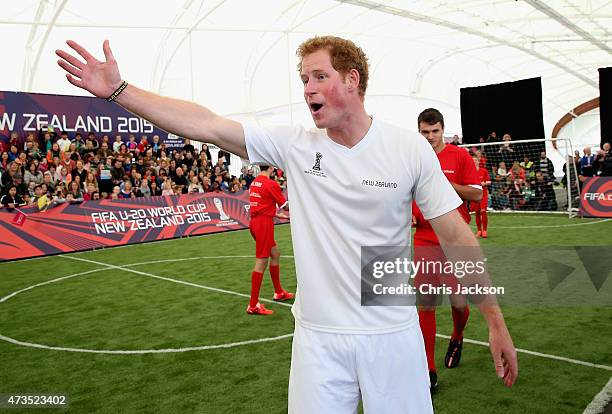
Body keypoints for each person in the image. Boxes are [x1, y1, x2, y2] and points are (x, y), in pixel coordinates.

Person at [56, 36, 517, 413]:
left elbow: (457, 236)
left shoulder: (408, 148)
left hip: (391, 337)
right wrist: (120, 91)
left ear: (352, 80)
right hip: (318, 341)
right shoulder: (296, 145)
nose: (307, 88)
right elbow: (208, 125)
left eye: (319, 76)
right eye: (303, 79)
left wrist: (494, 321)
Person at [411, 108, 483, 391]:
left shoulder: (459, 155)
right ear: (418, 132)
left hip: (454, 239)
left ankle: (457, 334)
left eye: (435, 131)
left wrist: (445, 183)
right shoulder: (413, 157)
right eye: (425, 132)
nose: (430, 137)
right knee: (425, 304)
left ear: (443, 130)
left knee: (459, 303)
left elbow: (476, 193)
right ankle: (428, 369)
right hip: (425, 239)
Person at [247, 165, 293, 315]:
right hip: (263, 225)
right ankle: (253, 305)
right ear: (272, 168)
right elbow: (286, 207)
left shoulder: (255, 183)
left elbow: (262, 206)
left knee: (275, 254)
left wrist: (279, 216)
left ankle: (278, 292)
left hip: (255, 223)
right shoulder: (271, 184)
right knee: (262, 261)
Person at [472, 154, 491, 237]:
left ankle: (485, 231)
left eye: (476, 160)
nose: (474, 162)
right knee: (477, 212)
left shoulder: (484, 171)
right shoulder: (470, 171)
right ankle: (479, 230)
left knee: (483, 211)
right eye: (473, 160)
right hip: (475, 195)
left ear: (478, 161)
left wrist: (484, 183)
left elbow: (489, 182)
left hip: (483, 194)